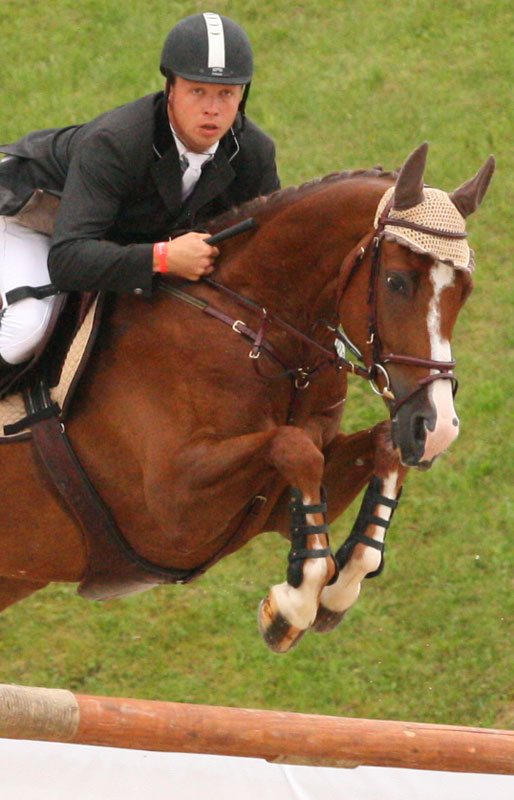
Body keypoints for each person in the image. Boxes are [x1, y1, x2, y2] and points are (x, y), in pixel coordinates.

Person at [0, 12, 280, 373]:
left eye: (226, 93)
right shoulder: (117, 143)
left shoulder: (254, 152)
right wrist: (163, 257)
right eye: (197, 91)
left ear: (242, 95)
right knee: (25, 330)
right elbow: (68, 261)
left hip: (99, 230)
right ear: (170, 89)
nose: (212, 109)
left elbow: (269, 248)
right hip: (30, 215)